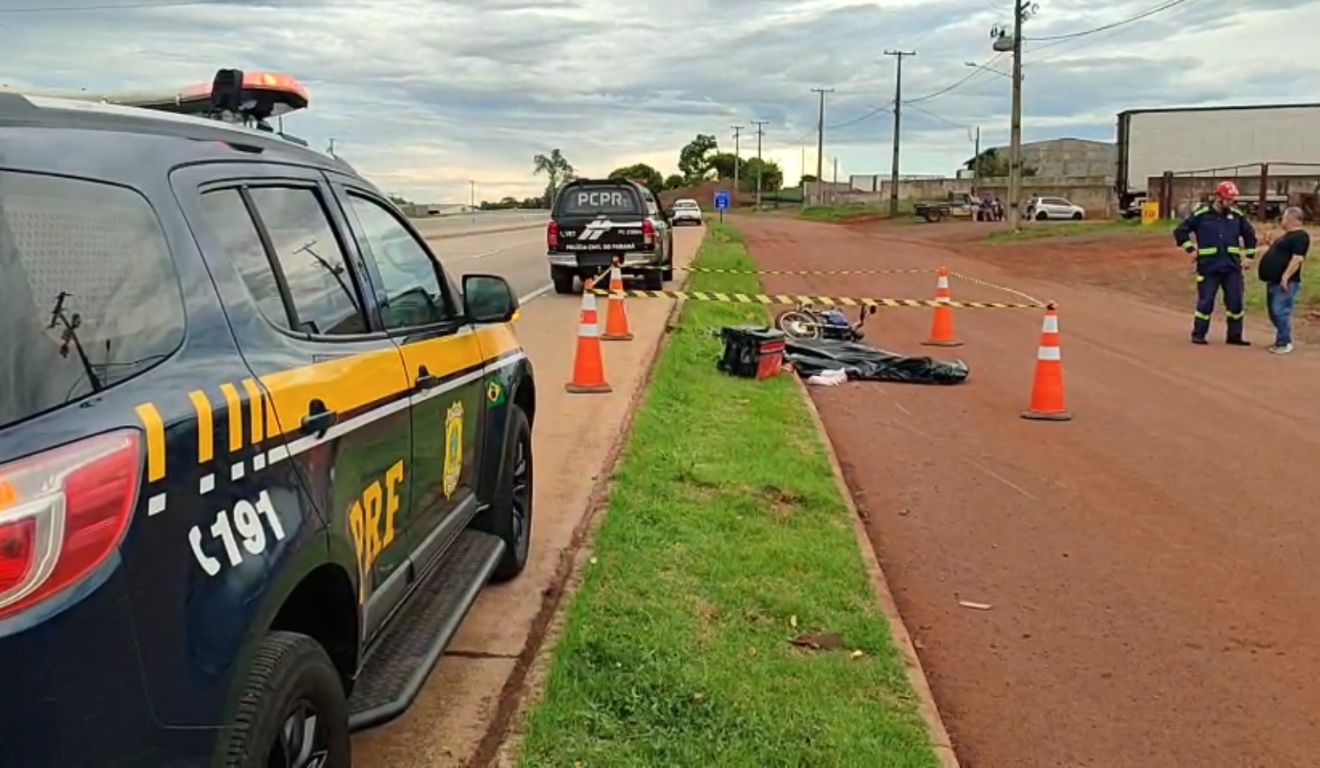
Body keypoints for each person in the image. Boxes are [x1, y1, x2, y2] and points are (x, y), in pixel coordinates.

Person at [1173, 181, 1258, 345]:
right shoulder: (1202, 215)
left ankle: (1235, 336)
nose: (1231, 203)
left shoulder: (1237, 216)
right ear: (1218, 197)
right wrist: (1190, 249)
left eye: (1233, 199)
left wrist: (1249, 256)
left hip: (1232, 267)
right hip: (1208, 267)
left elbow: (1250, 236)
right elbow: (1180, 231)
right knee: (1206, 302)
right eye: (1228, 199)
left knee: (1236, 302)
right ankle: (1199, 334)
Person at [1258, 206, 1310, 354]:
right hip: (1273, 281)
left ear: (1292, 219)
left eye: (1284, 218)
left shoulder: (1300, 236)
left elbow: (1297, 258)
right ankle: (1281, 338)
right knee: (1274, 312)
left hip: (1286, 282)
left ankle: (1284, 342)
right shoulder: (1286, 237)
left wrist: (1286, 277)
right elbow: (1280, 254)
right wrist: (1269, 244)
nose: (1282, 220)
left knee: (1280, 311)